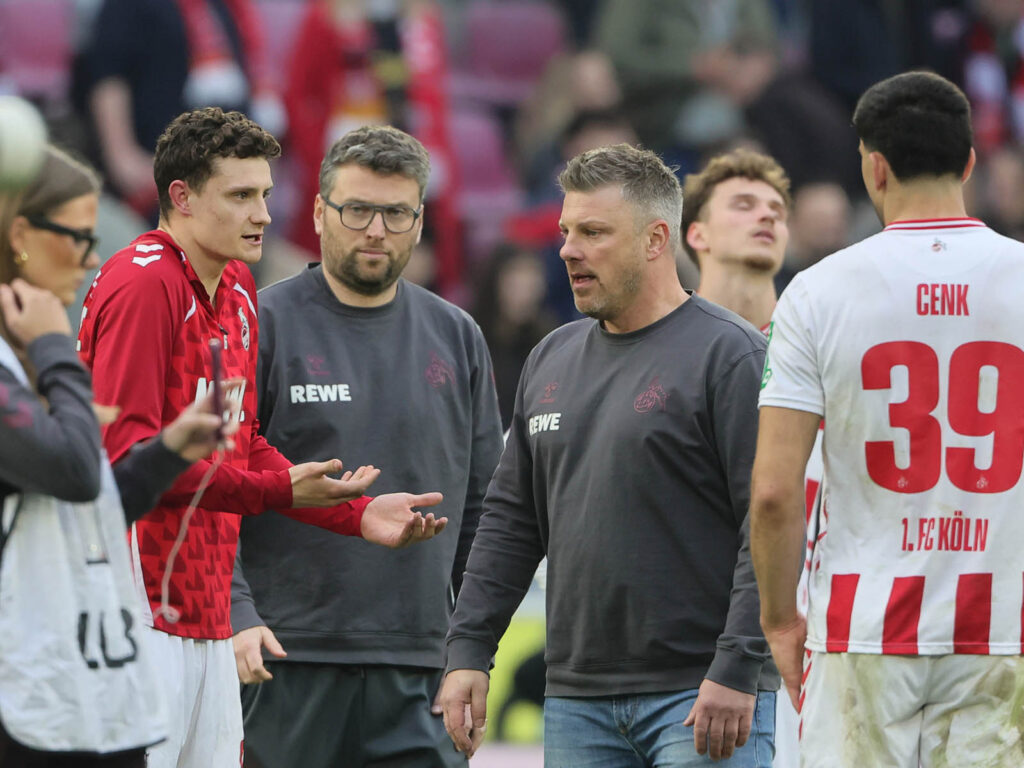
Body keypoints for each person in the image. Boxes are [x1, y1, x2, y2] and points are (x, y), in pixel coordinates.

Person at [77, 108, 447, 768]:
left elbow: (239, 445)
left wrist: (355, 515)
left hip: (205, 618)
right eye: (241, 195)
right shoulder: (143, 283)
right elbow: (127, 460)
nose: (264, 215)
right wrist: (273, 490)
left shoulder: (241, 290)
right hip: (133, 612)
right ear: (182, 198)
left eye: (266, 194)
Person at [440, 143, 778, 766]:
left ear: (656, 240)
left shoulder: (729, 355)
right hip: (576, 699)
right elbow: (512, 523)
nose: (567, 249)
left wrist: (738, 667)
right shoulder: (550, 356)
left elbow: (769, 526)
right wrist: (468, 651)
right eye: (567, 231)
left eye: (593, 232)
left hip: (701, 695)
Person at [751, 70, 1024, 768]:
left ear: (873, 167)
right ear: (969, 162)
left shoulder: (814, 293)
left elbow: (775, 493)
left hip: (862, 625)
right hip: (1001, 626)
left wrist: (780, 619)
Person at [229, 124, 503, 767]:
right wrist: (236, 613)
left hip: (421, 671)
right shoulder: (259, 325)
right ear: (320, 214)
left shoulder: (457, 335)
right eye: (356, 210)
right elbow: (219, 485)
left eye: (395, 213)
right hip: (283, 659)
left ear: (419, 220)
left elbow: (490, 515)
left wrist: (470, 651)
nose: (375, 229)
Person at [0, 145, 235, 765]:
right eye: (77, 237)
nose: (91, 257)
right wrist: (55, 350)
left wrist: (168, 450)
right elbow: (78, 472)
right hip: (21, 697)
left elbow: (92, 506)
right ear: (21, 235)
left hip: (71, 680)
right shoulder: (30, 358)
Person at [681, 149, 819, 768]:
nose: (767, 216)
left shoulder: (820, 339)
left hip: (810, 632)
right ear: (696, 234)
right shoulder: (658, 351)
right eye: (744, 204)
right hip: (683, 644)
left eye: (778, 210)